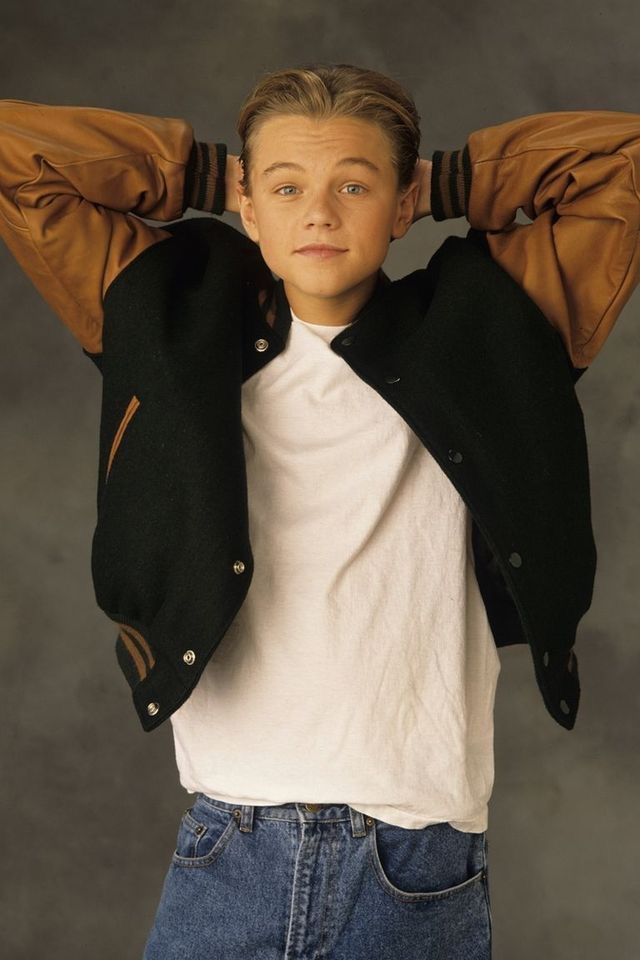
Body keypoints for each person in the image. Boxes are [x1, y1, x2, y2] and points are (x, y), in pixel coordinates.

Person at [1, 62, 639, 960]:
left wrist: (453, 181)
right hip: (229, 848)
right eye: (287, 186)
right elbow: (17, 157)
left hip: (416, 863)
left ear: (402, 200)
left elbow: (626, 165)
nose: (320, 212)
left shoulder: (491, 320)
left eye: (354, 184)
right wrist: (197, 174)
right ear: (248, 205)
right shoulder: (166, 321)